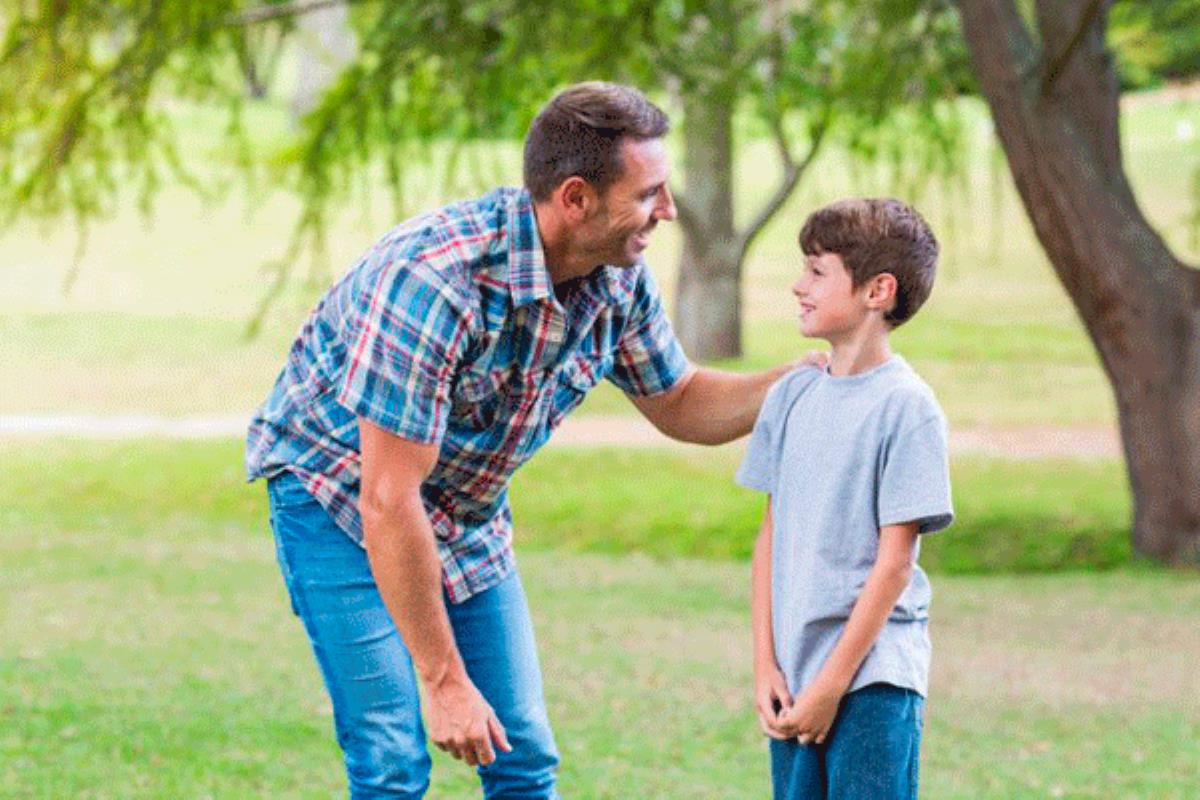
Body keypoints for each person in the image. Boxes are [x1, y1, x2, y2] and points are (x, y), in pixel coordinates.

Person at [245, 81, 799, 799]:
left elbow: (682, 401)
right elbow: (388, 496)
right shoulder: (437, 282)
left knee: (524, 757)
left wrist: (809, 382)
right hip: (340, 499)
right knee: (392, 761)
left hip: (464, 513)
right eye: (649, 193)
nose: (665, 210)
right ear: (575, 198)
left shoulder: (614, 280)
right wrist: (444, 681)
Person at [736, 198, 954, 799]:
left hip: (873, 679)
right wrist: (766, 665)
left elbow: (895, 564)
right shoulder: (791, 396)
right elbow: (770, 538)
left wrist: (834, 684)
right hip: (796, 675)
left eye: (816, 270)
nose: (797, 286)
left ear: (877, 290)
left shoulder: (907, 409)